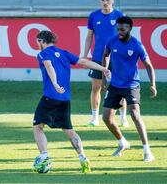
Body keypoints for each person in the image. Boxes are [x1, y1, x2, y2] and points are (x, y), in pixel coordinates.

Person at [32, 30, 111, 174]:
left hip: (50, 96)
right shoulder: (64, 53)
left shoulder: (43, 54)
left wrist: (55, 83)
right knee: (69, 130)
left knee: (37, 126)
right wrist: (103, 68)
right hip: (65, 99)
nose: (37, 45)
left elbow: (49, 66)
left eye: (38, 42)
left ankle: (44, 157)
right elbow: (84, 61)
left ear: (42, 41)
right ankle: (83, 158)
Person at [101, 16, 156, 162]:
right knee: (106, 117)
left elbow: (148, 65)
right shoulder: (112, 41)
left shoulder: (137, 45)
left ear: (130, 29)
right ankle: (122, 142)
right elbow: (105, 55)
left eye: (122, 29)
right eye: (118, 29)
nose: (119, 31)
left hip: (131, 85)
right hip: (115, 84)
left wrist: (152, 84)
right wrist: (104, 74)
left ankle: (147, 151)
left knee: (135, 115)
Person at [83, 0, 128, 127]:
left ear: (112, 0)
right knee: (96, 86)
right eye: (102, 0)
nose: (105, 2)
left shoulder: (119, 15)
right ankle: (95, 117)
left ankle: (123, 118)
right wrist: (85, 55)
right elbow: (89, 36)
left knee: (121, 87)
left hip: (117, 57)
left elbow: (125, 37)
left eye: (108, 0)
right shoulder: (94, 16)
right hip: (97, 57)